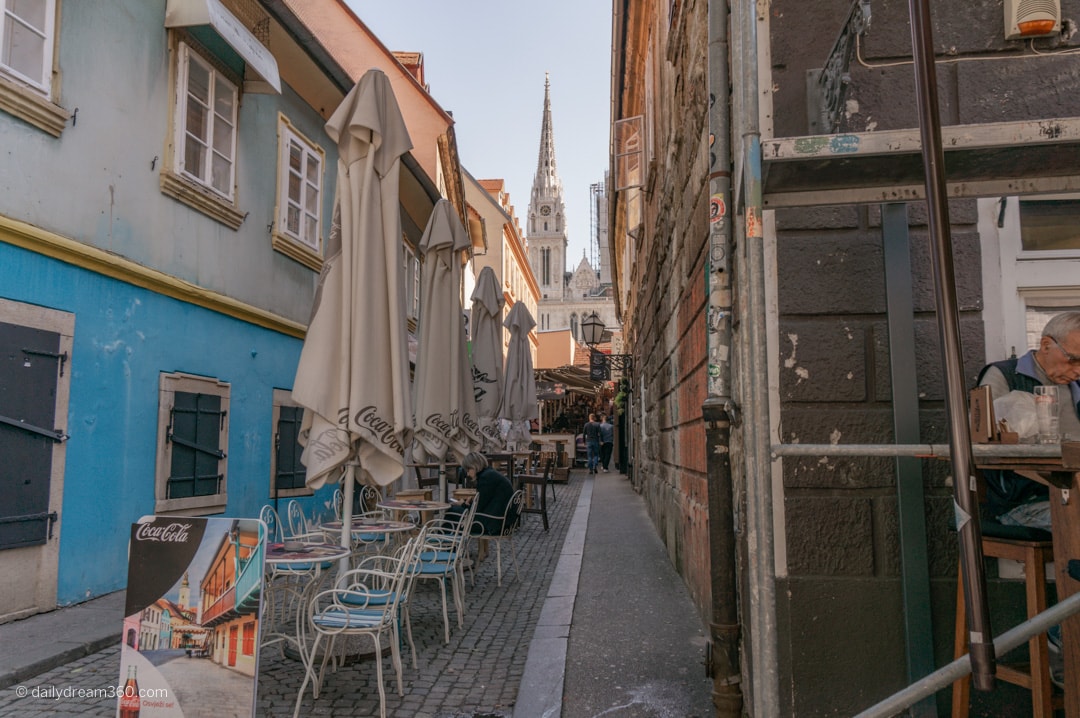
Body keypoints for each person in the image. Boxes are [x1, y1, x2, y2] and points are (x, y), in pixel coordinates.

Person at [977, 311, 1080, 531]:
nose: (1079, 370)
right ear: (1046, 345)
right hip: (1025, 501)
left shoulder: (1078, 386)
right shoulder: (1004, 375)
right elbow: (983, 443)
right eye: (1073, 359)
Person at [451, 452, 517, 535]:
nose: (467, 474)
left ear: (474, 466)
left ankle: (444, 544)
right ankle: (449, 545)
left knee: (452, 511)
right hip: (500, 521)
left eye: (468, 470)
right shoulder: (490, 474)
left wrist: (463, 504)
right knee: (455, 515)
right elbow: (485, 500)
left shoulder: (485, 478)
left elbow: (477, 508)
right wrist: (471, 502)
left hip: (493, 524)